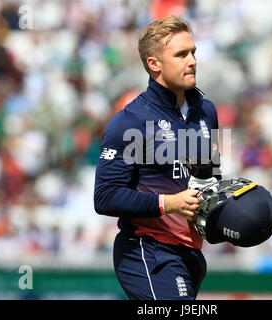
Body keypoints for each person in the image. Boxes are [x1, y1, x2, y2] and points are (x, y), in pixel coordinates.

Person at [94, 16, 221, 300]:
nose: (192, 61)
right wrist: (171, 203)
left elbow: (209, 177)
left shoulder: (206, 111)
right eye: (181, 54)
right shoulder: (129, 122)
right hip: (146, 250)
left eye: (193, 53)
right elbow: (104, 197)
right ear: (154, 64)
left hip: (192, 253)